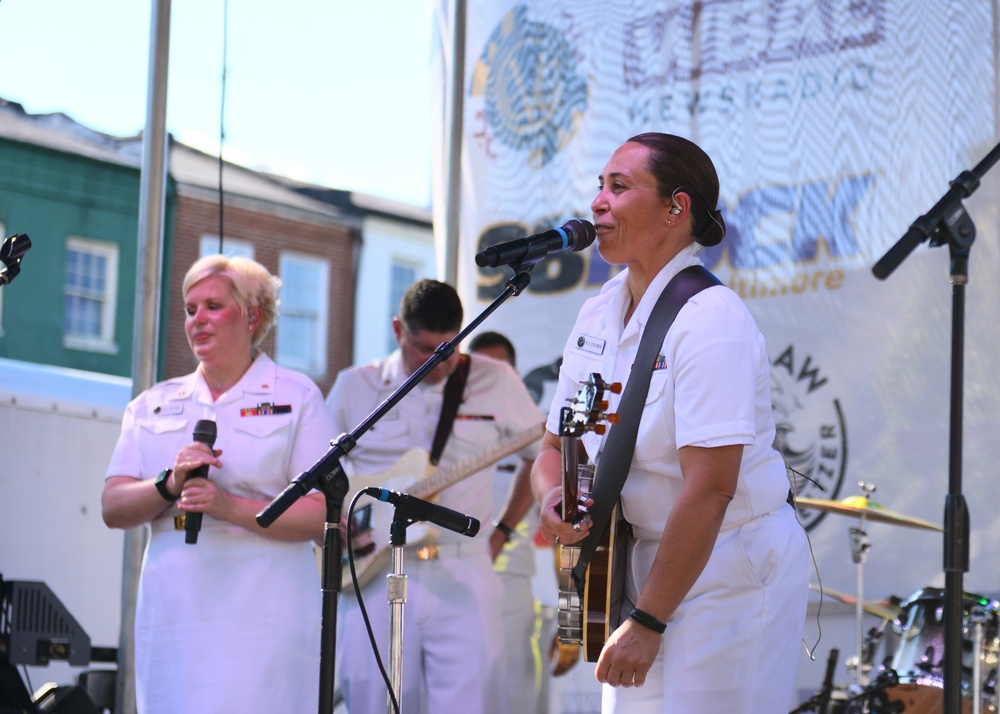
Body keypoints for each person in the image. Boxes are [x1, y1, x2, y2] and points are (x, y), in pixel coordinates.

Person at [530, 133, 809, 713]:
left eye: (619, 187)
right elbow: (554, 445)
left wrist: (650, 619)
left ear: (676, 208)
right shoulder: (596, 312)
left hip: (728, 567)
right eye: (599, 186)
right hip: (637, 559)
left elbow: (710, 488)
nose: (598, 203)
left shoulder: (711, 320)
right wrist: (555, 495)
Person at [101, 255, 335, 713]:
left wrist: (230, 507)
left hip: (265, 606)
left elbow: (325, 512)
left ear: (253, 316)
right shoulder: (153, 403)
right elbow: (112, 505)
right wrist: (168, 485)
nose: (197, 320)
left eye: (213, 306)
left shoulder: (297, 395)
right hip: (174, 607)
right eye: (190, 310)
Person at [327, 280, 542, 714]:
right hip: (372, 572)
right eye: (424, 349)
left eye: (450, 349)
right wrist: (339, 521)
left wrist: (501, 530)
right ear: (396, 330)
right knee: (373, 702)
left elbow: (542, 456)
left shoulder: (494, 379)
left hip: (462, 567)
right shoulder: (355, 386)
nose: (439, 363)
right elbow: (317, 468)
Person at [468, 330, 549, 714]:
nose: (488, 376)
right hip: (448, 577)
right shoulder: (451, 424)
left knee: (512, 694)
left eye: (497, 368)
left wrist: (500, 534)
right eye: (478, 367)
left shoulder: (536, 429)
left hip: (508, 581)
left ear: (514, 374)